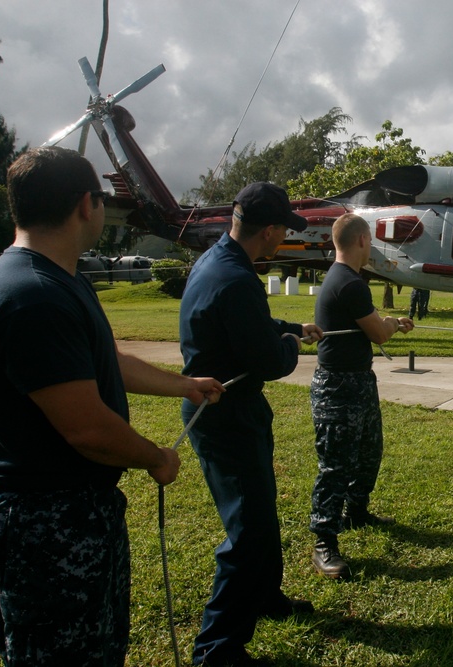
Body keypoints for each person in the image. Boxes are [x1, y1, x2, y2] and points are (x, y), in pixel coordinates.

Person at [0, 146, 224, 666]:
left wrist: (183, 384)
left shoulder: (59, 280)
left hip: (73, 513)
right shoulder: (33, 295)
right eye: (101, 199)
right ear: (85, 205)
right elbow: (87, 431)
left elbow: (105, 360)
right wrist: (155, 457)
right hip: (45, 525)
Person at [179, 182, 323, 666]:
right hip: (225, 415)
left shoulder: (219, 260)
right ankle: (216, 650)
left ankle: (265, 597)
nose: (286, 238)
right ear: (268, 231)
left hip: (233, 410)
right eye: (285, 230)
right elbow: (267, 360)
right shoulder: (237, 278)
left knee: (260, 511)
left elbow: (244, 324)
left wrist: (288, 326)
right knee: (249, 529)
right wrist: (290, 346)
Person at [310, 213, 413, 579]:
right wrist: (392, 325)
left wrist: (389, 323)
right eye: (370, 240)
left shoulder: (347, 280)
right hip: (339, 387)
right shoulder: (350, 284)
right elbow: (379, 334)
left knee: (369, 451)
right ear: (361, 241)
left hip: (357, 382)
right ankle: (324, 542)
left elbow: (372, 325)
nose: (371, 246)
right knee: (336, 466)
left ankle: (357, 511)